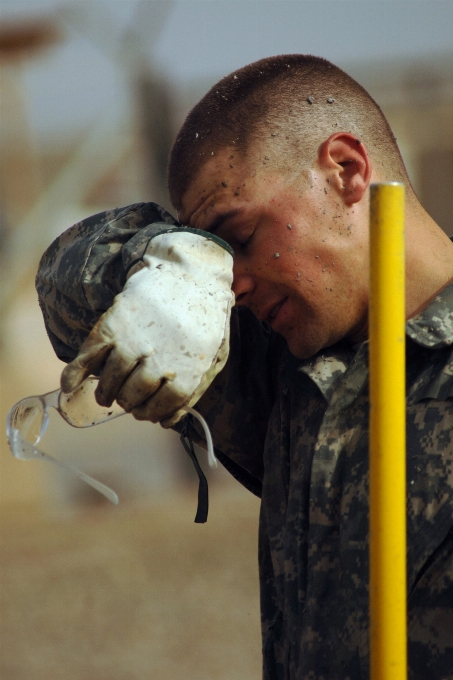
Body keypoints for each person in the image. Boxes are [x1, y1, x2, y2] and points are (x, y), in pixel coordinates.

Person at [36, 55, 453, 679]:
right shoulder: (281, 364)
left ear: (345, 170)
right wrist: (167, 261)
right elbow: (63, 286)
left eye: (239, 236)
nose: (233, 284)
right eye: (213, 256)